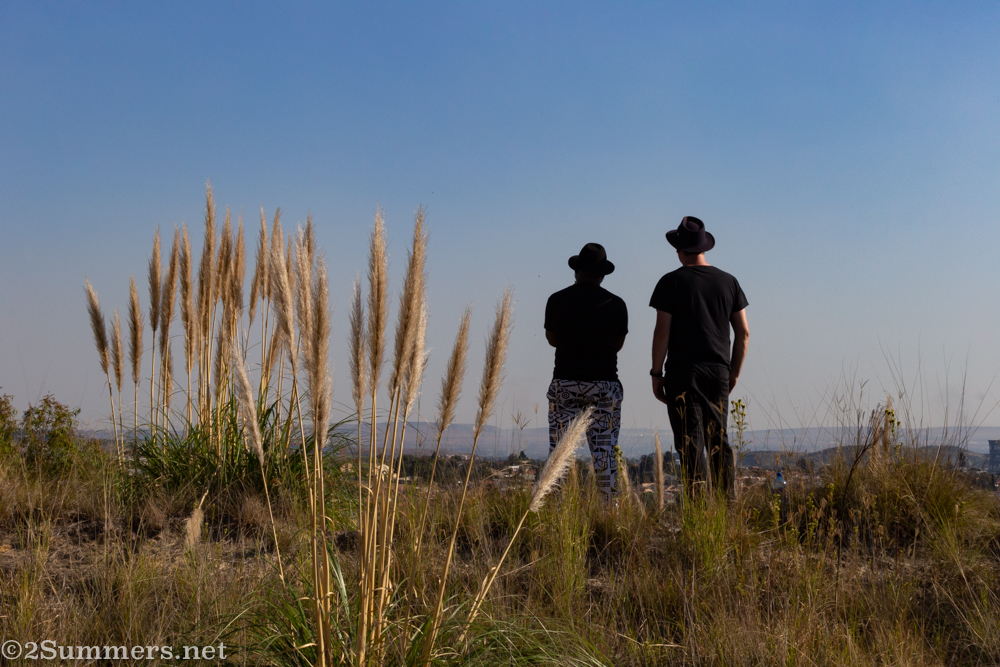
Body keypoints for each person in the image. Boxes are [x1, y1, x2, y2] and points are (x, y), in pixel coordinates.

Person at [649, 217, 749, 496]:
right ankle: (726, 507)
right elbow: (743, 333)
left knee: (690, 442)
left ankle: (697, 510)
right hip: (718, 370)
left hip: (683, 373)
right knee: (719, 439)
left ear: (679, 250)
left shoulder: (670, 282)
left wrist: (656, 374)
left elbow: (662, 332)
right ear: (704, 247)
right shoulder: (729, 282)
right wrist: (733, 372)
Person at [544, 243, 628, 503]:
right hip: (604, 385)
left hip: (565, 383)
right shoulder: (617, 304)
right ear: (602, 275)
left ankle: (554, 510)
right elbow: (618, 345)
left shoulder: (557, 300)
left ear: (576, 271)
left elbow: (552, 339)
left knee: (558, 454)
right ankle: (608, 511)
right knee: (605, 456)